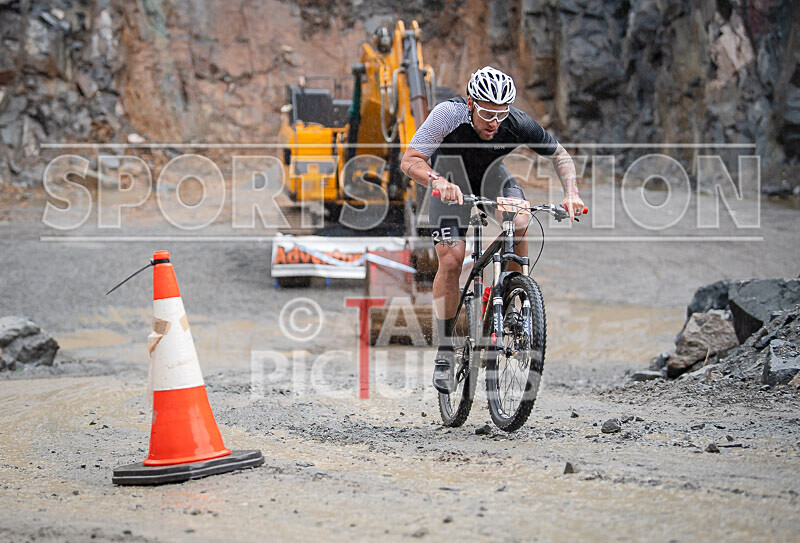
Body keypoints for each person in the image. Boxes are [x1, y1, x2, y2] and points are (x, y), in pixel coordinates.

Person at [400, 66, 585, 394]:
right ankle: (445, 348)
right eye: (486, 112)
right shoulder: (448, 114)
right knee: (453, 259)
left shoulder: (516, 122)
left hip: (492, 179)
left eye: (501, 113)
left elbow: (560, 155)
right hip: (449, 182)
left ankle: (513, 296)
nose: (494, 122)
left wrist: (571, 192)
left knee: (522, 220)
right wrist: (438, 182)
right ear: (471, 103)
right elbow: (411, 159)